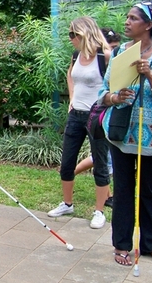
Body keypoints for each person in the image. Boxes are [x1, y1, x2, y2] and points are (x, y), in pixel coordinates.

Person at [98, 2, 152, 266]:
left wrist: (151, 75)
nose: (127, 22)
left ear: (148, 25)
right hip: (121, 133)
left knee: (149, 190)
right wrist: (115, 96)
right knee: (123, 190)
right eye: (127, 17)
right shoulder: (120, 52)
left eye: (133, 18)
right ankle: (121, 244)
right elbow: (103, 94)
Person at [47, 16, 112, 230]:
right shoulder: (76, 55)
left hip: (97, 116)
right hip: (76, 114)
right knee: (67, 162)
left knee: (101, 164)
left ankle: (99, 211)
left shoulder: (105, 56)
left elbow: (115, 84)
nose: (70, 39)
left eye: (72, 34)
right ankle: (67, 204)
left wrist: (106, 105)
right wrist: (72, 98)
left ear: (84, 33)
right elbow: (70, 75)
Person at [74, 26, 122, 208]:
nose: (112, 50)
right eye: (111, 45)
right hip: (95, 114)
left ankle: (106, 197)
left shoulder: (112, 60)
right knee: (102, 158)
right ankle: (71, 171)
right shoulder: (96, 58)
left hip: (109, 113)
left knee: (103, 157)